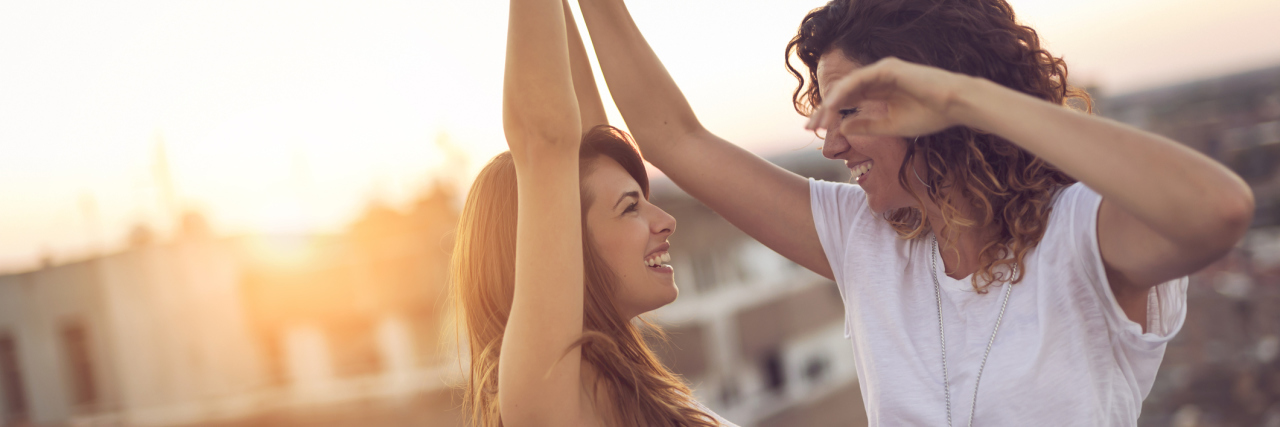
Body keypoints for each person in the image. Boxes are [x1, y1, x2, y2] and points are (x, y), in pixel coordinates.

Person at [576, 0, 1254, 424]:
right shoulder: (863, 239)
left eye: (852, 110)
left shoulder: (1082, 236)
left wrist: (963, 97)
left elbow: (1218, 209)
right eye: (824, 115)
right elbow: (674, 137)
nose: (832, 141)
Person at [450, 0, 735, 425]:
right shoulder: (550, 398)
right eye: (630, 207)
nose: (665, 221)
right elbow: (546, 140)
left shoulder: (621, 383)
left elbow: (581, 135)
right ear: (559, 242)